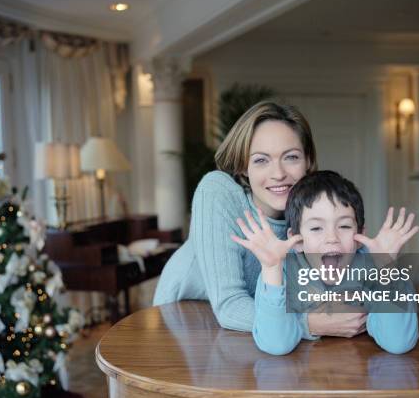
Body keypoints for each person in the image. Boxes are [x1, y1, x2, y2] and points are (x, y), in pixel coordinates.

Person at [153, 102, 366, 339]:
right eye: (261, 160)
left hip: (249, 332)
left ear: (308, 161)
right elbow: (230, 306)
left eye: (291, 157)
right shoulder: (217, 192)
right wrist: (309, 323)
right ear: (243, 166)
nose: (278, 174)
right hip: (182, 325)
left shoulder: (308, 211)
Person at [231, 170, 419, 355]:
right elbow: (275, 344)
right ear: (297, 241)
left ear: (359, 235)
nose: (332, 238)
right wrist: (272, 269)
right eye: (316, 228)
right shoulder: (281, 271)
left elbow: (398, 342)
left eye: (344, 226)